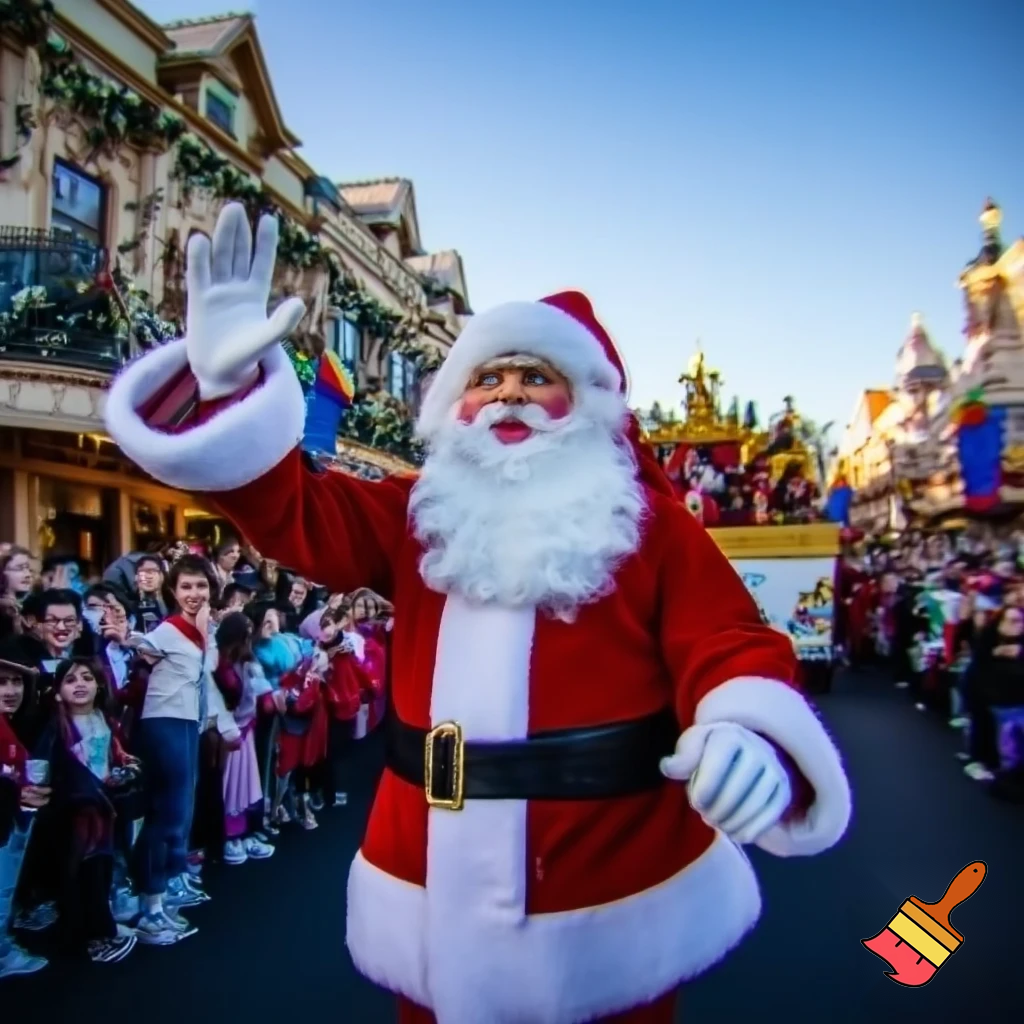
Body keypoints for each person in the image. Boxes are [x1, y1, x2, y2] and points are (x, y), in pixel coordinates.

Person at [104, 202, 851, 1023]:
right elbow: (293, 514)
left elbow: (729, 642)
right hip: (431, 867)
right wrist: (225, 392)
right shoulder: (418, 511)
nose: (508, 397)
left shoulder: (648, 521)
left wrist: (744, 729)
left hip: (607, 876)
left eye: (536, 377)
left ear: (589, 401)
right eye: (487, 379)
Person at [130, 554, 216, 946]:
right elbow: (139, 647)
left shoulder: (204, 628)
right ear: (172, 591)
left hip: (187, 722)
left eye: (200, 585)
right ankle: (149, 907)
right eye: (186, 587)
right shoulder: (167, 629)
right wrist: (121, 635)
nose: (194, 593)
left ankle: (164, 892)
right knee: (166, 812)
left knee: (181, 811)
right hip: (163, 722)